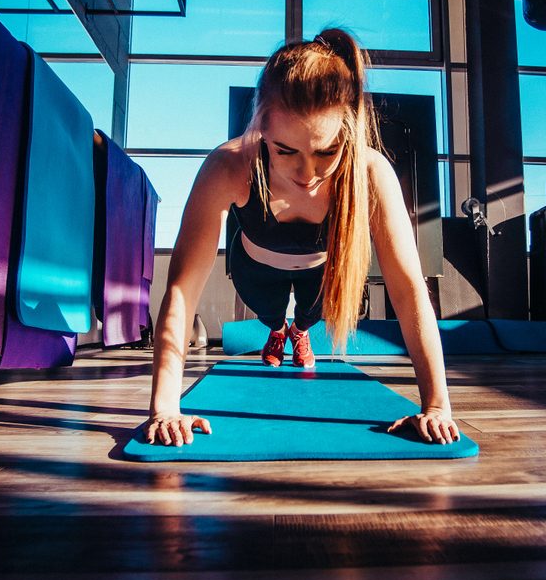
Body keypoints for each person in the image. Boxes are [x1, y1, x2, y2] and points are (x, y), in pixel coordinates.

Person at [146, 29, 460, 447]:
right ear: (260, 126)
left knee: (309, 317)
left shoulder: (370, 172)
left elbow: (408, 291)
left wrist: (437, 404)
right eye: (286, 152)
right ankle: (279, 329)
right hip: (255, 267)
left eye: (326, 153)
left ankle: (300, 331)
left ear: (347, 133)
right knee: (271, 313)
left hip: (320, 270)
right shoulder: (229, 165)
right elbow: (183, 291)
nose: (308, 174)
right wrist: (165, 407)